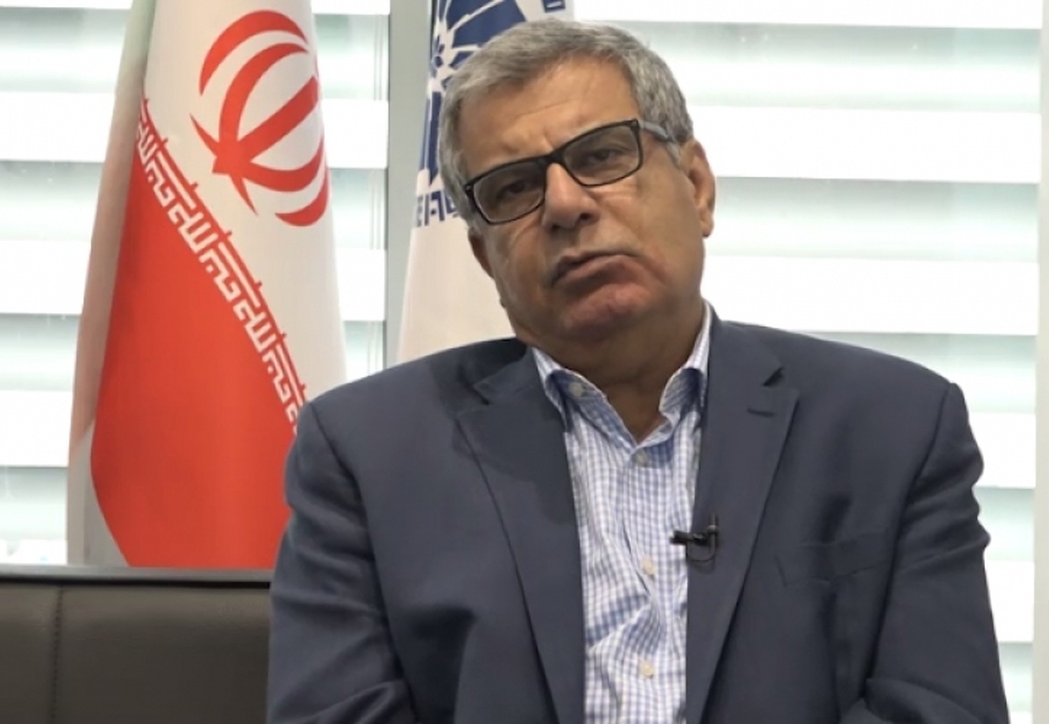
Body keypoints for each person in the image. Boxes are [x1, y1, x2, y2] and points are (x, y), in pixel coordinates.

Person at [268, 18, 1009, 724]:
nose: (565, 205)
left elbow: (939, 709)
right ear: (484, 258)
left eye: (600, 156)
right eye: (514, 189)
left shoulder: (893, 429)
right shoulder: (369, 454)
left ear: (697, 187)